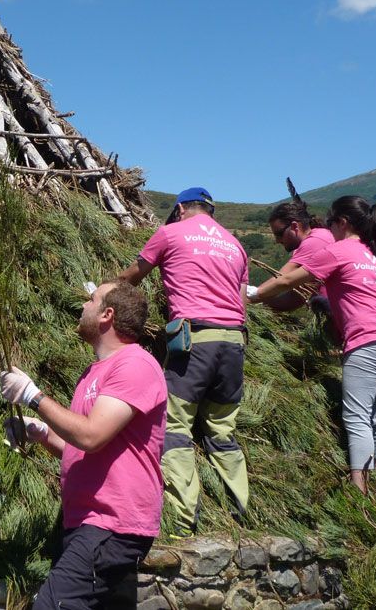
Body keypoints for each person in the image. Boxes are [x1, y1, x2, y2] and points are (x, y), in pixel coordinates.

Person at [0, 280, 166, 610]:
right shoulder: (93, 373)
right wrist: (41, 433)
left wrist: (32, 396)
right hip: (90, 523)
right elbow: (83, 446)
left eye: (91, 300)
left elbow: (91, 435)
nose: (83, 306)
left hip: (111, 523)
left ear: (107, 314)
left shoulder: (135, 365)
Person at [247, 196, 376, 504]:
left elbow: (287, 280)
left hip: (368, 341)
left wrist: (250, 297)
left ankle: (358, 490)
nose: (328, 230)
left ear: (342, 223)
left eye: (331, 224)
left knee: (358, 417)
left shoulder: (339, 251)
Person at [118, 186, 249, 533]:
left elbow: (133, 277)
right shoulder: (235, 245)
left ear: (179, 209)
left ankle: (180, 519)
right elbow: (241, 302)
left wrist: (106, 289)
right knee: (222, 429)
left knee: (174, 425)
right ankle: (240, 508)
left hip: (194, 339)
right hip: (234, 341)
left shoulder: (170, 233)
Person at [262, 199, 335, 314]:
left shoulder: (316, 241)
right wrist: (261, 304)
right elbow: (295, 298)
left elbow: (282, 278)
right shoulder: (313, 241)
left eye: (279, 234)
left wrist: (251, 295)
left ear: (294, 226)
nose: (277, 240)